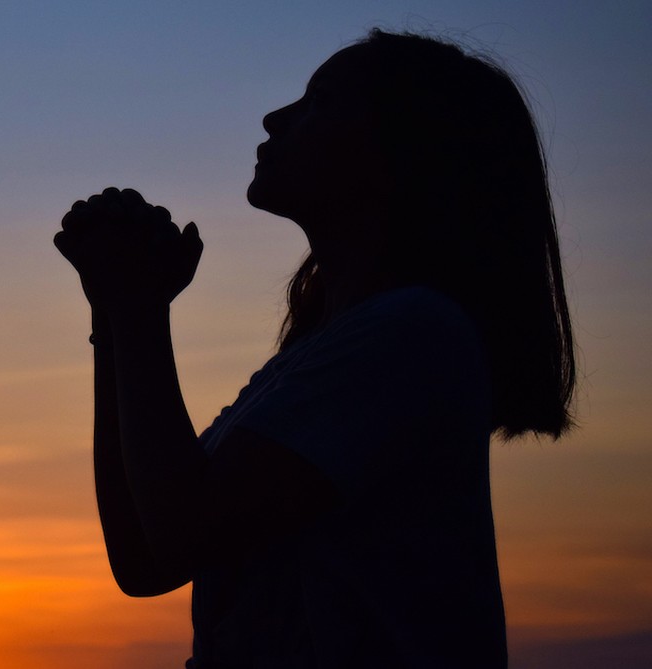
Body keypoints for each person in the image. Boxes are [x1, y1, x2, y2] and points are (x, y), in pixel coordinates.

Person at [53, 29, 576, 668]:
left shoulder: (410, 336)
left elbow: (178, 529)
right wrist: (117, 313)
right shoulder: (323, 358)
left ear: (401, 151)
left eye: (319, 102)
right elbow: (144, 557)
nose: (276, 119)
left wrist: (133, 306)